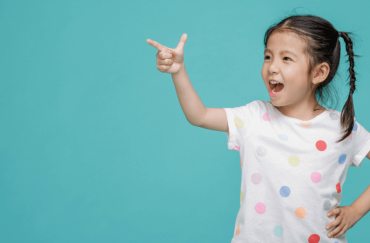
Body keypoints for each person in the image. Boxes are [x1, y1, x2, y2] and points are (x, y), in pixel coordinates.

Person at [146, 14, 370, 243]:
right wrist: (178, 71)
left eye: (286, 58)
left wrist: (355, 211)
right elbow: (199, 115)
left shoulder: (342, 127)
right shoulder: (254, 116)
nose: (272, 67)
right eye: (268, 56)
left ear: (318, 73)